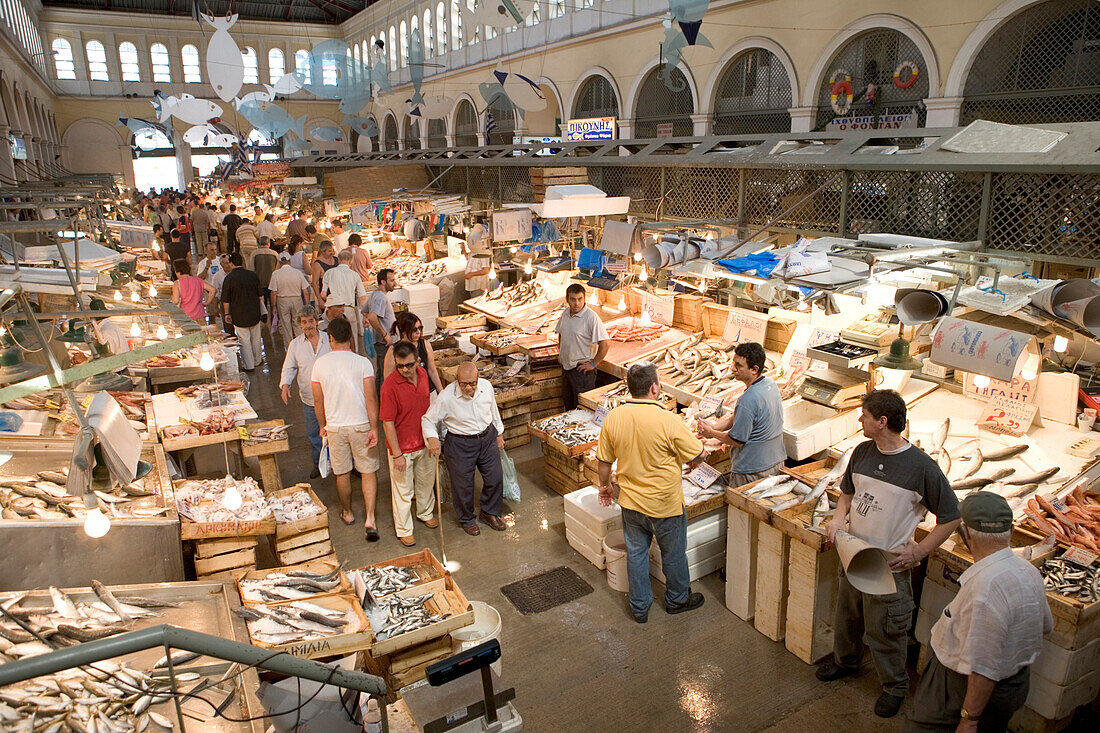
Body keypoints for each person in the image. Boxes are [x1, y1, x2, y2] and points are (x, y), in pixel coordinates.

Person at [818, 389, 962, 719]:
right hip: (852, 553)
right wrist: (838, 520)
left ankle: (894, 686)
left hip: (888, 565)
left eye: (864, 415)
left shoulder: (923, 468)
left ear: (882, 422)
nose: (860, 419)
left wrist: (921, 551)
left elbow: (951, 516)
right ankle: (846, 662)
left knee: (886, 629)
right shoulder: (862, 452)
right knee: (848, 616)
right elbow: (847, 493)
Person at [905, 492, 1051, 733]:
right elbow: (1046, 625)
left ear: (966, 534)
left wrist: (969, 718)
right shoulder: (1029, 571)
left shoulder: (985, 589)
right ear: (1011, 532)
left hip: (961, 687)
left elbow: (984, 667)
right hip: (1014, 684)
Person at [596, 361, 708, 623]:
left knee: (636, 554)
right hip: (665, 505)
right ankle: (677, 600)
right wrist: (697, 459)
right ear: (655, 388)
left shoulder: (614, 417)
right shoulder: (669, 420)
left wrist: (606, 486)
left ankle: (639, 607)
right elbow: (698, 454)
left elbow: (603, 461)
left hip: (631, 504)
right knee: (673, 554)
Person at [311, 315, 381, 540]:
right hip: (360, 424)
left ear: (330, 338)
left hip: (336, 426)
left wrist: (322, 425)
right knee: (368, 471)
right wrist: (374, 427)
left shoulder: (320, 364)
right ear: (350, 337)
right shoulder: (363, 363)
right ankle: (370, 518)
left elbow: (318, 401)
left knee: (341, 473)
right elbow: (371, 398)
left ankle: (348, 512)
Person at [422, 361, 506, 536]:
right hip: (460, 444)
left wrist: (499, 433)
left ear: (478, 378)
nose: (468, 387)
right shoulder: (446, 397)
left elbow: (493, 410)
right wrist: (432, 438)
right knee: (463, 486)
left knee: (495, 477)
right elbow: (427, 419)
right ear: (456, 380)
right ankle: (467, 519)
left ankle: (489, 512)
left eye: (472, 383)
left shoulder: (486, 387)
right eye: (463, 384)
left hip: (487, 437)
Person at [697, 342, 786, 486]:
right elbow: (743, 416)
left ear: (754, 369)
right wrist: (717, 426)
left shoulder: (747, 399)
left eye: (738, 365)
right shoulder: (770, 385)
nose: (733, 369)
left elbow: (736, 440)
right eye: (733, 363)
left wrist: (712, 432)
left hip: (753, 471)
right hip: (776, 462)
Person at [380, 340, 438, 547]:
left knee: (425, 481)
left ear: (418, 361)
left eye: (409, 365)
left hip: (423, 442)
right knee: (403, 491)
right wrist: (397, 454)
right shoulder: (389, 386)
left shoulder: (423, 376)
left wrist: (433, 437)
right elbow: (387, 423)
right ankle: (404, 529)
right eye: (400, 365)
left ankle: (425, 513)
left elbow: (429, 410)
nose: (404, 370)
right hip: (402, 447)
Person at [280, 306, 330, 478]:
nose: (308, 325)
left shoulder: (329, 340)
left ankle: (344, 465)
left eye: (311, 321)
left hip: (332, 396)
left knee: (338, 432)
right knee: (315, 434)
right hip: (309, 399)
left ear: (317, 321)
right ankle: (319, 465)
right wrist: (285, 385)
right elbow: (289, 367)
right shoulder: (295, 345)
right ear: (299, 325)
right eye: (304, 322)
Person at [555, 283, 610, 409]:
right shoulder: (565, 313)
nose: (577, 303)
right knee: (568, 405)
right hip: (566, 369)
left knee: (582, 408)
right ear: (567, 299)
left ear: (584, 298)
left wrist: (593, 364)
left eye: (580, 299)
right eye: (573, 299)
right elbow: (561, 334)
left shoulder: (591, 317)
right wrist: (561, 353)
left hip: (581, 372)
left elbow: (606, 343)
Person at [220, 252, 265, 371]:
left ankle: (249, 365)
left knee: (244, 340)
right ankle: (258, 360)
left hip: (238, 314)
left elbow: (226, 300)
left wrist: (226, 313)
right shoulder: (252, 275)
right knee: (256, 338)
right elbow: (260, 296)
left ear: (231, 263)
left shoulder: (229, 278)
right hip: (254, 311)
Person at [382, 312, 444, 393]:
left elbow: (432, 370)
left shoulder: (425, 345)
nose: (418, 332)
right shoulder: (393, 350)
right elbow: (388, 379)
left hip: (427, 392)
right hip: (405, 395)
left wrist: (441, 393)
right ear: (403, 331)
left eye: (420, 328)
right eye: (414, 330)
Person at [321, 249, 367, 354]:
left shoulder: (329, 273)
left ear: (339, 260)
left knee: (333, 337)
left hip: (333, 309)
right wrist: (365, 315)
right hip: (349, 310)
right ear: (350, 261)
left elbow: (323, 294)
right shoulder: (355, 275)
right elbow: (362, 297)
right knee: (352, 338)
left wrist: (330, 301)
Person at [269, 251, 311, 345]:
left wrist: (274, 306)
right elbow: (305, 291)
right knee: (298, 324)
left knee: (285, 325)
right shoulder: (297, 273)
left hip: (282, 300)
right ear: (290, 261)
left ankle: (290, 347)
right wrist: (307, 305)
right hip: (296, 299)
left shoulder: (276, 274)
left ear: (279, 262)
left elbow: (273, 293)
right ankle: (301, 345)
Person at [363, 267, 396, 373]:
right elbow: (372, 316)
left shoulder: (374, 294)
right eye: (391, 281)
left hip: (380, 341)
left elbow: (364, 312)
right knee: (386, 373)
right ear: (383, 282)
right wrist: (385, 335)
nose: (394, 283)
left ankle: (378, 390)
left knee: (380, 371)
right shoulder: (381, 297)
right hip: (384, 343)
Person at [251, 236, 279, 312]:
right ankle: (273, 322)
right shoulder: (274, 254)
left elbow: (251, 269)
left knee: (263, 307)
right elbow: (277, 269)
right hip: (272, 284)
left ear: (259, 243)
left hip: (260, 284)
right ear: (269, 244)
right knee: (274, 306)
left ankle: (264, 321)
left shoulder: (254, 254)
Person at [463, 221, 491, 298]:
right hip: (471, 286)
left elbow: (486, 270)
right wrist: (463, 250)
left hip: (479, 287)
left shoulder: (483, 253)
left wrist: (471, 274)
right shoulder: (473, 250)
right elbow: (469, 260)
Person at [310, 240, 338, 304]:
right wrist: (320, 300)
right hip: (326, 296)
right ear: (323, 252)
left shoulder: (336, 259)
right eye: (329, 251)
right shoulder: (317, 264)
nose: (332, 253)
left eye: (332, 250)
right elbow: (314, 283)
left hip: (337, 295)